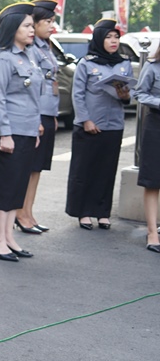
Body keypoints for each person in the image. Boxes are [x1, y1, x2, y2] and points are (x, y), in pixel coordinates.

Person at [0, 2, 42, 262]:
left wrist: (35, 127)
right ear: (12, 28)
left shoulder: (28, 56)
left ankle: (9, 237)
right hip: (7, 132)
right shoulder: (2, 58)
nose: (32, 30)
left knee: (17, 186)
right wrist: (5, 133)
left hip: (25, 131)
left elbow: (34, 97)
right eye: (27, 25)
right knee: (3, 187)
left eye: (32, 25)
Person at [66, 18, 132, 230]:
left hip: (114, 125)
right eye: (108, 37)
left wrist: (124, 95)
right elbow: (77, 95)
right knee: (84, 170)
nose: (113, 41)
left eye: (116, 37)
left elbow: (128, 97)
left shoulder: (124, 64)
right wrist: (86, 119)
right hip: (89, 125)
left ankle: (102, 212)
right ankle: (83, 212)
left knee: (107, 170)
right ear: (99, 39)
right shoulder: (86, 63)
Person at [15, 0, 60, 234]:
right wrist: (39, 117)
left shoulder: (46, 46)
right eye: (48, 22)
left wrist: (51, 116)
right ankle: (21, 213)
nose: (51, 26)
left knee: (37, 168)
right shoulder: (32, 48)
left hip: (46, 113)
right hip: (36, 113)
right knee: (29, 166)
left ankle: (29, 212)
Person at [132, 43, 160, 253]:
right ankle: (152, 232)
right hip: (156, 126)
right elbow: (140, 94)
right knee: (153, 181)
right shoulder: (152, 66)